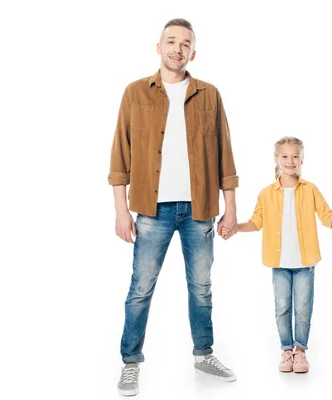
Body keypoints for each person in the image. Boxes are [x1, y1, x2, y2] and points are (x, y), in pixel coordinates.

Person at [108, 18, 238, 396]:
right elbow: (120, 155)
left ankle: (203, 354)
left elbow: (224, 156)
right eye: (171, 41)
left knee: (202, 288)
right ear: (159, 47)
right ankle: (130, 362)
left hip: (200, 210)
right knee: (141, 288)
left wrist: (230, 209)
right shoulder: (135, 93)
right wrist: (121, 210)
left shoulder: (209, 95)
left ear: (192, 53)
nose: (177, 48)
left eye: (185, 44)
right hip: (151, 210)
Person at [221, 136, 332, 373]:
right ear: (276, 159)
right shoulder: (266, 193)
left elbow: (327, 217)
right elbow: (256, 222)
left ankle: (301, 352)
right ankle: (286, 351)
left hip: (305, 263)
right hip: (279, 263)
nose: (290, 160)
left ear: (302, 159)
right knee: (282, 307)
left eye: (295, 155)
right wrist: (234, 228)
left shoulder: (310, 189)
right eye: (285, 156)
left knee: (303, 309)